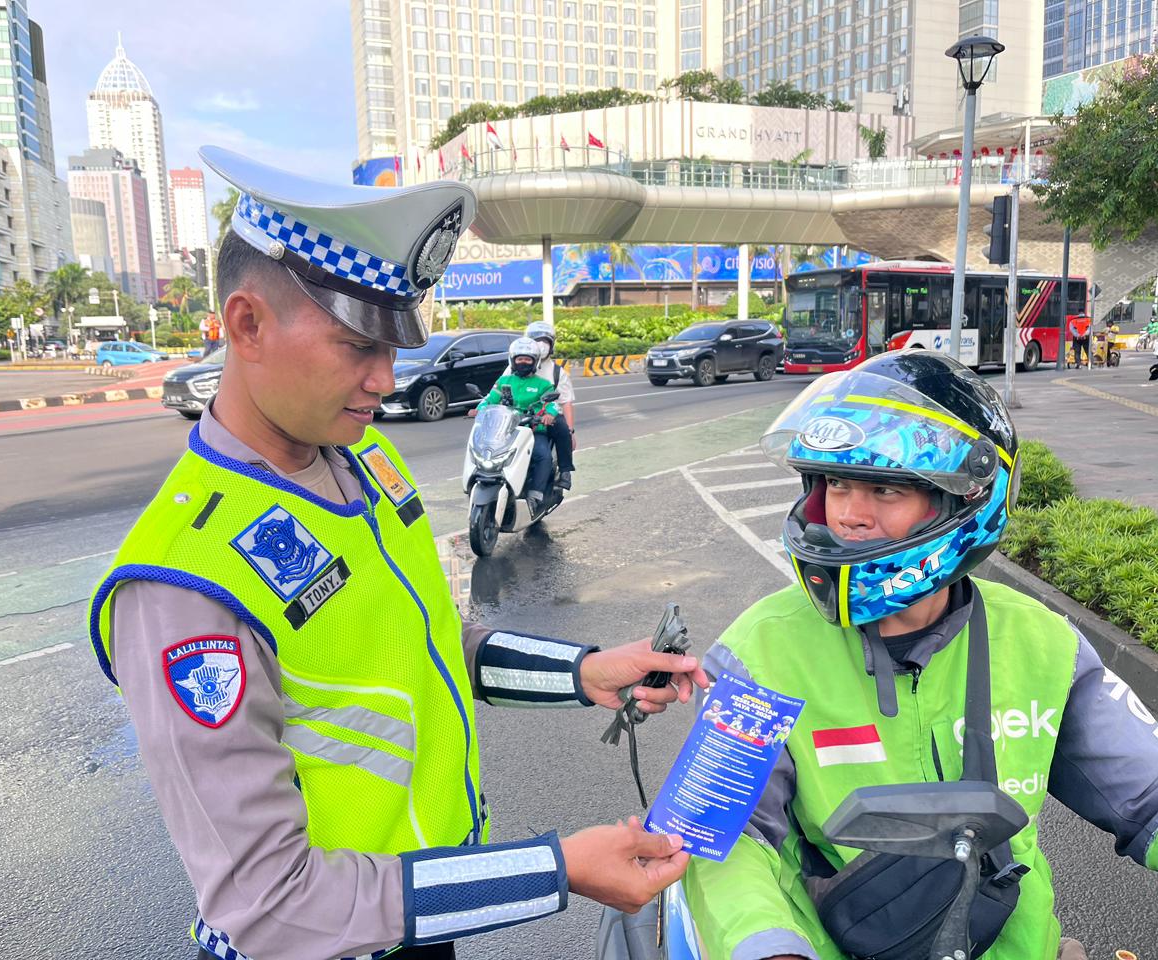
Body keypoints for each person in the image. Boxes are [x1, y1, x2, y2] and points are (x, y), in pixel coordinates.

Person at [88, 146, 707, 960]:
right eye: (358, 347)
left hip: (414, 921)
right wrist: (556, 871)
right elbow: (267, 906)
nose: (387, 379)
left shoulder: (360, 467)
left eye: (395, 345)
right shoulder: (184, 580)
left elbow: (421, 650)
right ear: (247, 325)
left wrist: (581, 672)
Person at [683, 351, 1158, 960]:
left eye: (883, 488)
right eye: (835, 484)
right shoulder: (758, 651)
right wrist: (767, 946)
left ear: (967, 500)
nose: (847, 514)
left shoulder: (1042, 642)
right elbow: (719, 838)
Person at [477, 336, 574, 512]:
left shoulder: (543, 384)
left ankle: (535, 495)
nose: (523, 362)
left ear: (534, 362)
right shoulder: (504, 381)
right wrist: (480, 409)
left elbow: (553, 403)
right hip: (506, 430)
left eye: (527, 359)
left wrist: (550, 415)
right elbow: (490, 399)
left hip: (533, 430)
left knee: (542, 456)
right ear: (513, 361)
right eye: (519, 359)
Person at [521, 319, 576, 490]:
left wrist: (571, 431)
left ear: (552, 345)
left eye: (546, 342)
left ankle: (565, 471)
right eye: (537, 342)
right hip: (519, 416)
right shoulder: (516, 365)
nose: (541, 346)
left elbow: (565, 402)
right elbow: (499, 389)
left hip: (546, 416)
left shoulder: (556, 372)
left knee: (562, 428)